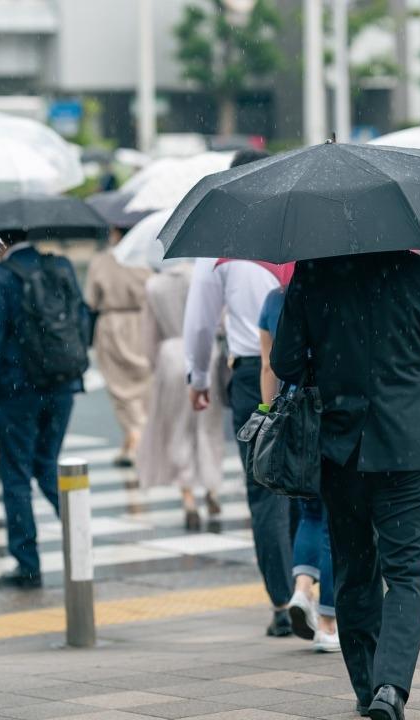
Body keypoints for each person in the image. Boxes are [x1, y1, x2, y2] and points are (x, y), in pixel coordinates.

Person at [272, 250, 420, 720]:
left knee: (355, 570)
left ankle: (366, 688)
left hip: (343, 446)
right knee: (407, 574)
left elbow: (286, 362)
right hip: (409, 443)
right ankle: (391, 688)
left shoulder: (314, 276)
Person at [182, 149, 297, 637]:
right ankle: (313, 584)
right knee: (309, 482)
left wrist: (198, 378)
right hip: (306, 371)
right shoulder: (304, 229)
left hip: (252, 375)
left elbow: (200, 322)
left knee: (265, 486)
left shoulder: (221, 245)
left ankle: (283, 601)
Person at [0, 233, 87, 588]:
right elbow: (82, 320)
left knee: (15, 476)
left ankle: (27, 563)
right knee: (47, 465)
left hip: (16, 390)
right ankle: (80, 541)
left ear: (1, 240)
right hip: (62, 384)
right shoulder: (61, 265)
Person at [258, 286, 341, 654]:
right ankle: (327, 624)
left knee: (308, 511)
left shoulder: (275, 299)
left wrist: (266, 412)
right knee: (335, 519)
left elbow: (267, 364)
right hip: (332, 411)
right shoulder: (335, 291)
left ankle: (302, 589)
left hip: (294, 414)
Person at [137, 259, 225, 530]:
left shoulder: (154, 285)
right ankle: (211, 487)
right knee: (209, 428)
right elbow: (220, 322)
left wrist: (157, 364)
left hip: (171, 355)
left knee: (177, 428)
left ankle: (187, 496)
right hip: (205, 353)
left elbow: (148, 338)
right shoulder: (205, 277)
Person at [85, 240, 153, 467]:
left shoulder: (102, 260)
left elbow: (91, 299)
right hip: (142, 321)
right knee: (143, 382)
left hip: (112, 322)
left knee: (118, 386)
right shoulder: (146, 258)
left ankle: (134, 432)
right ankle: (138, 434)